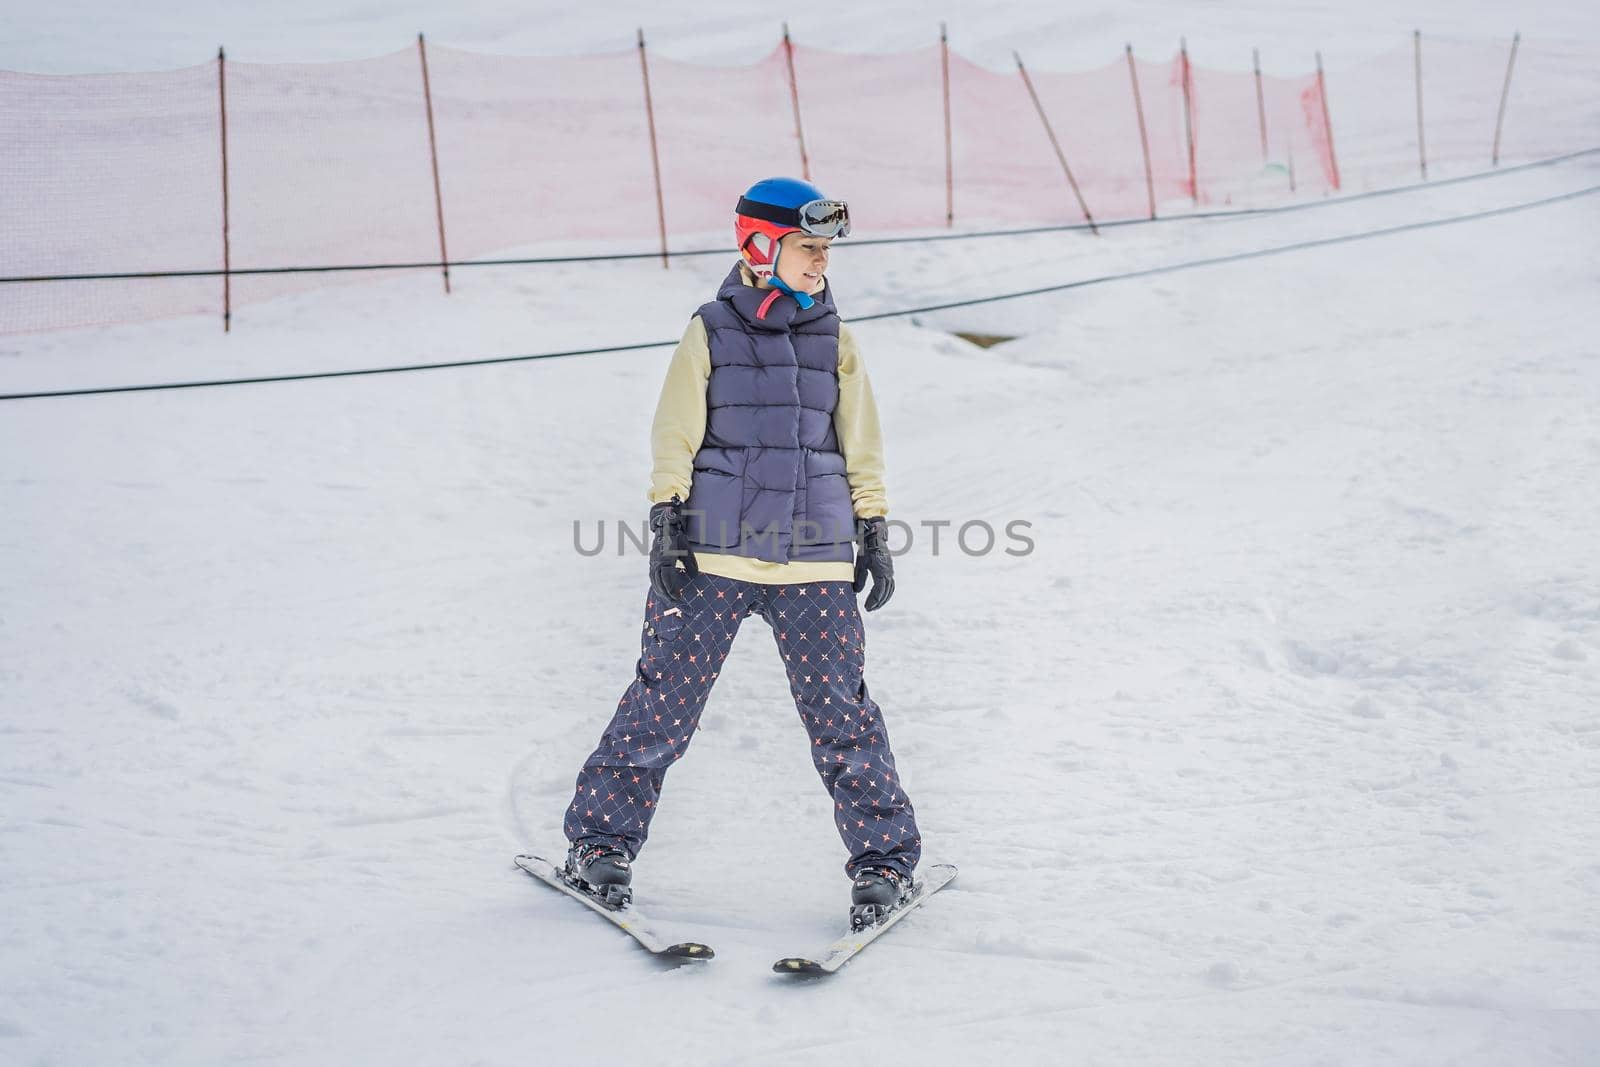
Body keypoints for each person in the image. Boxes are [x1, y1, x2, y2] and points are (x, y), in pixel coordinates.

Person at [561, 177, 920, 927]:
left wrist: (874, 528)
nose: (821, 264)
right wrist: (666, 516)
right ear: (760, 246)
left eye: (826, 252)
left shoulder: (836, 338)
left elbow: (862, 440)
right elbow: (675, 430)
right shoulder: (711, 329)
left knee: (841, 716)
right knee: (662, 705)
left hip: (814, 557)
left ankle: (884, 861)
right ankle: (600, 845)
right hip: (714, 553)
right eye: (808, 249)